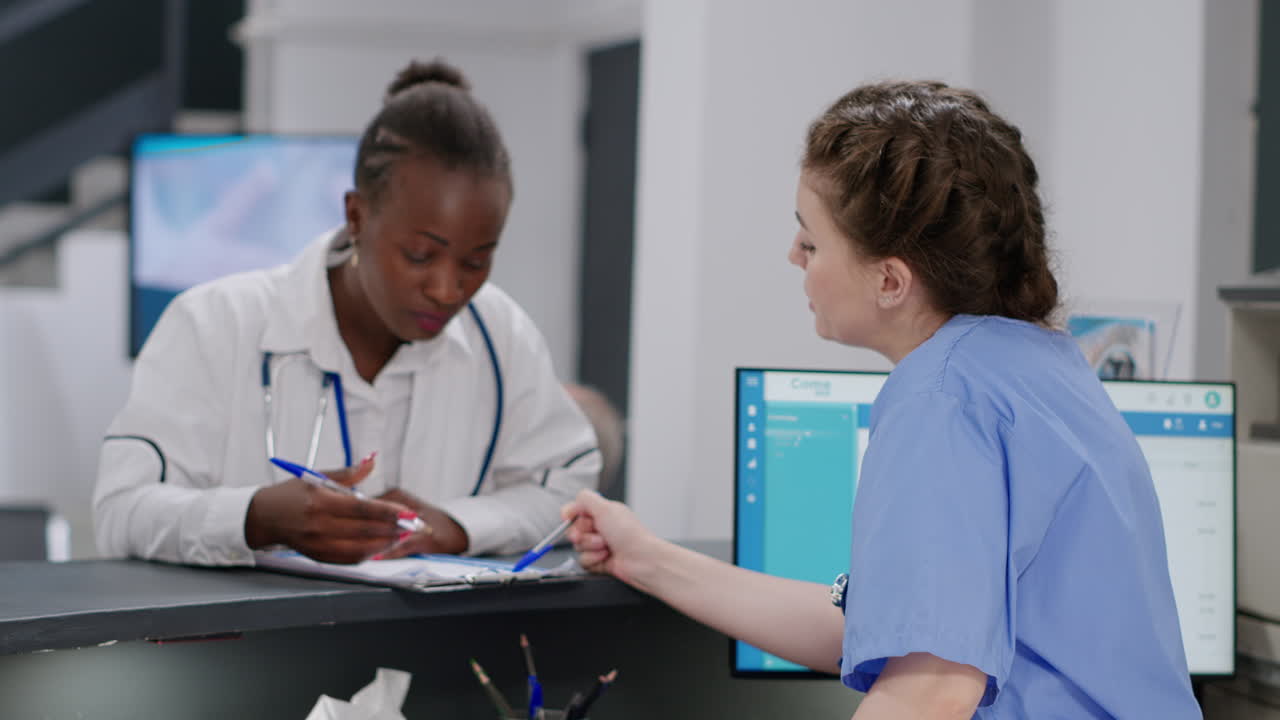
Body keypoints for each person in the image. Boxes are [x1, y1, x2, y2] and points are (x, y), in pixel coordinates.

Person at [563, 81, 1200, 719]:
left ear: (890, 280)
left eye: (810, 243)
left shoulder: (940, 395)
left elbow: (930, 692)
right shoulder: (1042, 365)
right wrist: (644, 558)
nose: (793, 256)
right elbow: (892, 635)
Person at [94, 58, 601, 566]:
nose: (448, 289)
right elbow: (121, 514)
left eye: (476, 260)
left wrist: (457, 526)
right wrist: (256, 517)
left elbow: (568, 495)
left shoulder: (502, 334)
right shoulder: (212, 323)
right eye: (420, 256)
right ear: (356, 216)